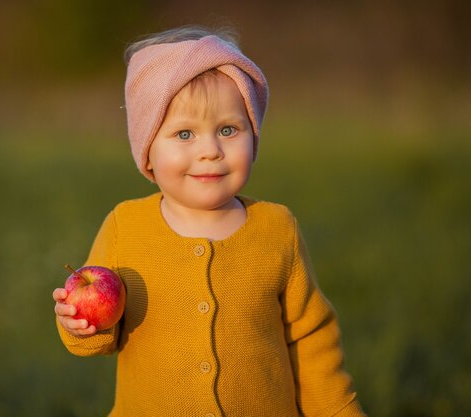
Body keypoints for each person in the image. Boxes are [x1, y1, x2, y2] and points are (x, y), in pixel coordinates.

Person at [53, 25, 366, 416]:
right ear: (148, 151)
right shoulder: (125, 226)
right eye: (184, 134)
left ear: (254, 137)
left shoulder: (276, 228)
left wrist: (338, 410)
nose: (210, 150)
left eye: (229, 130)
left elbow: (311, 337)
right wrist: (82, 326)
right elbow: (105, 332)